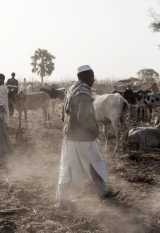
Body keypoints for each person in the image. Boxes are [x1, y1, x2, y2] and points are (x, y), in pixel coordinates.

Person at [56, 65, 119, 211]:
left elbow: (62, 114)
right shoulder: (83, 92)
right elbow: (83, 116)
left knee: (66, 166)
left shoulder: (71, 89)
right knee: (93, 164)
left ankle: (62, 199)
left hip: (69, 136)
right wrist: (94, 131)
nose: (93, 79)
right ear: (83, 77)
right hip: (82, 137)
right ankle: (103, 193)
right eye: (91, 76)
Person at [0, 73, 14, 156]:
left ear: (1, 79)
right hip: (0, 113)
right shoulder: (1, 88)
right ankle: (10, 149)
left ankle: (3, 151)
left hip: (0, 114)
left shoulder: (2, 89)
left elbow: (3, 102)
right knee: (4, 132)